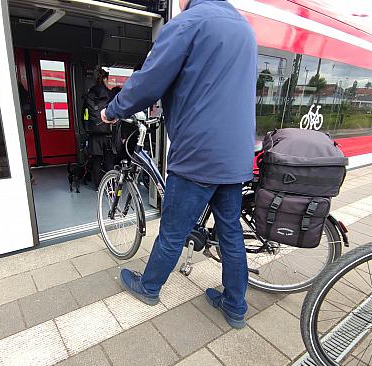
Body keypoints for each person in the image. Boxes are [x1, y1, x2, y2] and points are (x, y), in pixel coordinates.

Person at [101, 0, 257, 329]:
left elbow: (149, 80)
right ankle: (235, 306)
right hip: (236, 153)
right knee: (231, 233)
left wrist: (112, 110)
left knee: (173, 230)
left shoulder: (190, 22)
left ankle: (149, 286)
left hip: (199, 154)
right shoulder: (244, 28)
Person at [85, 68, 116, 190]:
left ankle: (98, 187)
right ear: (105, 78)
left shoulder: (89, 94)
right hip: (108, 133)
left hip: (94, 134)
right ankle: (112, 187)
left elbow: (85, 115)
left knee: (96, 162)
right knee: (109, 162)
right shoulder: (110, 94)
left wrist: (88, 129)